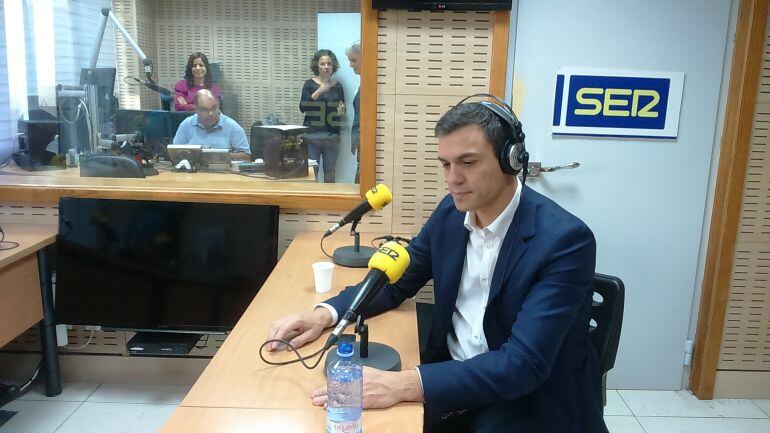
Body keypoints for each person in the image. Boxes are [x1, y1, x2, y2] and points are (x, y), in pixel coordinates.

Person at [266, 100, 608, 433]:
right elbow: (397, 281)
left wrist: (405, 384)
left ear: (511, 160)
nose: (453, 178)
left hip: (524, 403)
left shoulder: (565, 241)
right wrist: (325, 314)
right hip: (450, 379)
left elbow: (523, 364)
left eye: (468, 162)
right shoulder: (451, 213)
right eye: (445, 164)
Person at [300, 49, 345, 183]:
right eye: (322, 64)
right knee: (312, 173)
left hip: (332, 137)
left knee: (330, 173)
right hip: (312, 137)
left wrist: (342, 110)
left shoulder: (338, 86)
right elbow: (302, 108)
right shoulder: (309, 84)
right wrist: (319, 91)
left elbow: (341, 112)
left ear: (333, 66)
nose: (326, 67)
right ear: (317, 66)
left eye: (329, 64)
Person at [172, 89, 250, 160]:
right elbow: (175, 154)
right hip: (192, 170)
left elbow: (247, 157)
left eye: (213, 108)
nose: (211, 113)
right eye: (205, 110)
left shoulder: (232, 127)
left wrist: (221, 157)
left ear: (218, 105)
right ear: (196, 110)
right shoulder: (186, 125)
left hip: (222, 170)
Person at [346, 41, 361, 183]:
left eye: (354, 60)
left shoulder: (372, 85)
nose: (351, 65)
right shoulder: (363, 83)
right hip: (361, 144)